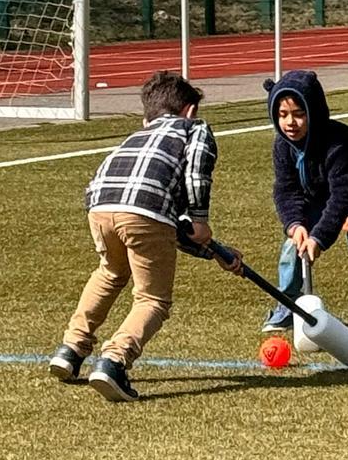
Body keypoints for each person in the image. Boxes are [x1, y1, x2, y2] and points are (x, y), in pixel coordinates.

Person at [49, 70, 239, 403]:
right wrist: (200, 219)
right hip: (144, 211)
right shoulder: (194, 128)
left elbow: (168, 228)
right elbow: (195, 175)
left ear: (146, 116)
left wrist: (213, 252)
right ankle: (114, 361)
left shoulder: (138, 136)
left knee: (111, 272)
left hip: (100, 208)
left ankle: (71, 349)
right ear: (190, 110)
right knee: (153, 299)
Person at [262, 68, 348, 334]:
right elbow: (286, 190)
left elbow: (343, 195)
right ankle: (288, 302)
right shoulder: (282, 146)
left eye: (299, 114)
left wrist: (319, 238)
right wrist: (295, 224)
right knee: (293, 244)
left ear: (314, 112)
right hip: (317, 194)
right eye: (283, 115)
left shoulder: (338, 144)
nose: (290, 122)